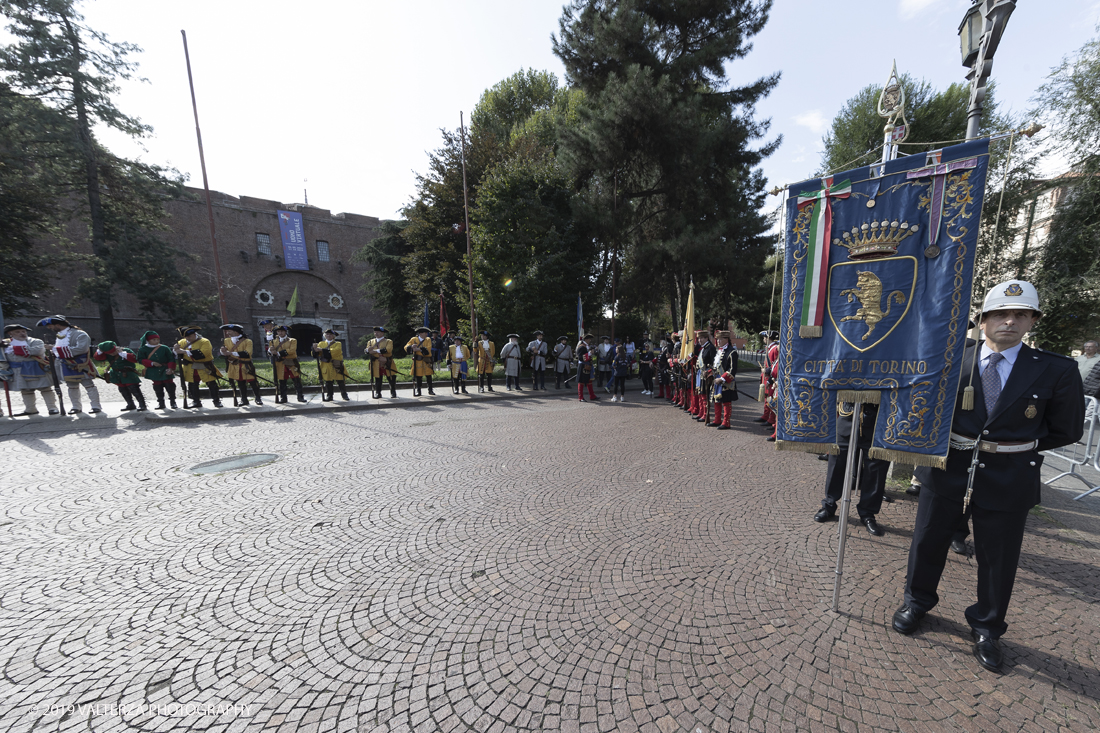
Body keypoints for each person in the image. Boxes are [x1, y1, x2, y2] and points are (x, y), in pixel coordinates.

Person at [892, 280, 1084, 674]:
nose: (1009, 321)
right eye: (999, 314)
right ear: (982, 321)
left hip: (1009, 474)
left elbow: (1067, 429)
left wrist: (1006, 445)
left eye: (1019, 314)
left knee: (998, 558)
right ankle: (917, 601)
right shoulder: (947, 358)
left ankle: (987, 627)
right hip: (947, 467)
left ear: (1032, 320)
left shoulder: (1056, 369)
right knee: (928, 541)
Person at [813, 403, 889, 535]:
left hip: (877, 419)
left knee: (875, 470)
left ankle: (868, 513)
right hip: (848, 414)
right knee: (836, 463)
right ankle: (828, 506)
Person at [38, 315, 102, 414]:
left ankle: (96, 406)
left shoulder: (80, 334)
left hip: (81, 363)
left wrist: (54, 348)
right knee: (72, 387)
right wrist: (53, 351)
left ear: (58, 325)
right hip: (66, 365)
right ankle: (76, 407)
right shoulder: (59, 335)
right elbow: (59, 350)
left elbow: (82, 349)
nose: (49, 328)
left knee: (89, 385)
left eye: (50, 325)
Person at [3, 324, 59, 416]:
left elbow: (37, 351)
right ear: (10, 333)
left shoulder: (36, 341)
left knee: (45, 388)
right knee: (26, 390)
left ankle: (52, 408)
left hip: (36, 368)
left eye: (23, 331)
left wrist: (14, 349)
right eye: (18, 332)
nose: (22, 333)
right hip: (18, 370)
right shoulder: (5, 344)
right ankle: (30, 409)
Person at [173, 326, 223, 408]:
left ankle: (216, 401)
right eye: (186, 337)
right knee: (192, 384)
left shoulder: (205, 341)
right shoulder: (181, 342)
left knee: (211, 384)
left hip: (205, 366)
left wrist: (184, 351)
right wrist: (175, 350)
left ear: (194, 334)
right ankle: (196, 401)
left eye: (189, 336)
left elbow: (203, 354)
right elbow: (177, 355)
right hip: (190, 367)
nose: (187, 338)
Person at [93, 341, 147, 411]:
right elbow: (98, 358)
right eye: (110, 353)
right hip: (116, 374)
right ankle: (130, 404)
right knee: (122, 389)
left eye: (113, 352)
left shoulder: (125, 351)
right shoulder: (107, 354)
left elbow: (134, 359)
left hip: (128, 373)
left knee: (134, 388)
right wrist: (100, 350)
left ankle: (142, 405)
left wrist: (122, 354)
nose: (112, 354)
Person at [220, 324, 263, 406]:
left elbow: (247, 353)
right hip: (234, 365)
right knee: (240, 383)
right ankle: (244, 399)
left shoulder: (248, 341)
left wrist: (230, 353)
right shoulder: (226, 340)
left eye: (229, 331)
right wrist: (222, 351)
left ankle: (258, 398)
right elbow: (225, 353)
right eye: (227, 331)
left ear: (236, 332)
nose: (227, 333)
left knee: (253, 382)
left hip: (245, 365)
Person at [137, 331, 178, 409]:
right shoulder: (143, 349)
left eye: (157, 339)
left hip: (165, 369)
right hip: (154, 371)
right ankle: (161, 403)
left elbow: (171, 358)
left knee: (170, 386)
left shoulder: (164, 348)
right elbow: (140, 359)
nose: (157, 341)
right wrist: (151, 363)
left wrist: (170, 368)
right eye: (154, 340)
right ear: (148, 340)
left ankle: (173, 402)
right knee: (157, 387)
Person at [267, 325, 306, 404]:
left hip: (291, 363)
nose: (280, 333)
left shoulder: (292, 340)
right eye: (278, 331)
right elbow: (270, 352)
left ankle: (300, 397)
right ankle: (283, 398)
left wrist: (277, 353)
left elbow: (291, 350)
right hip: (280, 364)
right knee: (282, 382)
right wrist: (270, 351)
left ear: (285, 332)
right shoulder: (273, 341)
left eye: (282, 331)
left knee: (296, 380)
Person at [711, 331, 738, 429]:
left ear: (726, 339)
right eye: (717, 339)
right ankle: (717, 420)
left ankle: (726, 423)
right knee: (717, 400)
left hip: (726, 381)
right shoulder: (719, 351)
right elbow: (716, 366)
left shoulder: (732, 352)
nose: (718, 341)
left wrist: (722, 379)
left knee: (726, 401)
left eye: (720, 339)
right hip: (717, 379)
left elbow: (732, 369)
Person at [313, 328, 349, 402]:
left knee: (340, 381)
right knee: (328, 382)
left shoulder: (338, 343)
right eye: (327, 334)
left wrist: (321, 350)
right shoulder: (321, 343)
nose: (328, 336)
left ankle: (344, 395)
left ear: (333, 336)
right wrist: (314, 349)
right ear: (325, 335)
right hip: (326, 365)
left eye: (330, 334)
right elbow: (317, 354)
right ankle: (329, 396)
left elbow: (336, 351)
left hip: (336, 365)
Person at [365, 326, 397, 399]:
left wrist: (374, 351)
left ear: (382, 333)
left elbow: (387, 350)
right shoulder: (370, 342)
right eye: (375, 332)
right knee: (378, 378)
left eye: (378, 332)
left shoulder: (388, 341)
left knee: (391, 377)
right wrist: (367, 350)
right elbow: (366, 351)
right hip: (376, 362)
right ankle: (378, 393)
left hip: (386, 361)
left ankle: (393, 392)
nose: (376, 333)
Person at [405, 326, 436, 397]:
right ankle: (418, 390)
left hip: (426, 360)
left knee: (429, 375)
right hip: (418, 360)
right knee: (418, 376)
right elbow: (406, 347)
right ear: (421, 333)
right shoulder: (414, 339)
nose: (426, 334)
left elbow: (428, 348)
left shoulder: (428, 339)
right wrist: (412, 347)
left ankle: (430, 390)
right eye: (425, 333)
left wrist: (418, 349)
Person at [575, 333, 600, 402]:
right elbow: (580, 358)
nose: (590, 340)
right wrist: (589, 353)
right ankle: (580, 397)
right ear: (586, 339)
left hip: (588, 365)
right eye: (589, 339)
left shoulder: (587, 346)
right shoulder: (582, 347)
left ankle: (592, 395)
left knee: (589, 381)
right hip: (583, 366)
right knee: (581, 382)